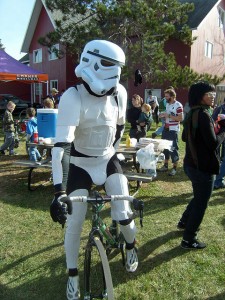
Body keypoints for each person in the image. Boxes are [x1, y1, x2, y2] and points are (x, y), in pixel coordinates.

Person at [49, 40, 139, 300]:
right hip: (79, 165)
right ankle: (73, 275)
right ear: (92, 61)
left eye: (119, 67)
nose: (116, 73)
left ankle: (131, 246)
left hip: (107, 159)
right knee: (74, 222)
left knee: (123, 211)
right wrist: (58, 192)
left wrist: (112, 150)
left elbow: (119, 128)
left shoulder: (119, 93)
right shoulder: (72, 97)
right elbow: (61, 148)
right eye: (111, 65)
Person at [178, 81, 225, 249]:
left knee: (199, 197)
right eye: (209, 95)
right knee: (202, 202)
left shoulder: (193, 113)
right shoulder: (204, 115)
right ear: (200, 96)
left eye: (213, 94)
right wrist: (224, 129)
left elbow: (185, 137)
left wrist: (214, 128)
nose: (213, 97)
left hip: (191, 164)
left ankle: (184, 221)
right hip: (202, 167)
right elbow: (213, 144)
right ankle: (189, 239)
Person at [158, 88, 183, 176]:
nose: (165, 98)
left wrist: (168, 115)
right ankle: (165, 166)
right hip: (166, 129)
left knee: (173, 148)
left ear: (172, 96)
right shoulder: (168, 104)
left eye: (167, 96)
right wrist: (163, 116)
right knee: (165, 147)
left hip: (173, 130)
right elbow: (168, 116)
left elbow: (180, 118)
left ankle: (174, 168)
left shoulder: (178, 105)